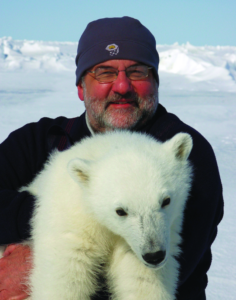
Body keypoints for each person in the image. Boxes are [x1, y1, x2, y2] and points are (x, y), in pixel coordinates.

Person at [0, 17, 223, 300]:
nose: (121, 86)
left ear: (155, 82)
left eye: (137, 72)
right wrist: (55, 213)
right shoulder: (39, 140)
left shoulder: (179, 156)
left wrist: (41, 269)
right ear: (81, 87)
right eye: (104, 73)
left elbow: (156, 270)